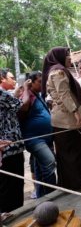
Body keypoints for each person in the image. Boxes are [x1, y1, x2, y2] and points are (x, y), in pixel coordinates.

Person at [42, 47, 81, 193]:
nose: (70, 58)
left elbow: (61, 95)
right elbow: (64, 95)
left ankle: (68, 184)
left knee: (65, 153)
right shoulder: (58, 71)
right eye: (67, 55)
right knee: (73, 153)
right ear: (59, 57)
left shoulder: (55, 70)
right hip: (67, 120)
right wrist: (77, 114)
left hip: (61, 119)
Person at [19, 71, 56, 198]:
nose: (43, 84)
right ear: (31, 82)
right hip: (35, 139)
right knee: (50, 163)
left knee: (41, 169)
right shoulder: (27, 95)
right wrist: (25, 88)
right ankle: (52, 195)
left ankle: (42, 197)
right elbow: (23, 107)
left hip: (45, 138)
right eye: (40, 82)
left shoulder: (37, 95)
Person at [0, 80, 31, 214]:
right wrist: (25, 89)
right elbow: (23, 106)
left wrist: (16, 94)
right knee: (12, 187)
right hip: (9, 149)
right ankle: (13, 217)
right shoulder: (1, 94)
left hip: (6, 149)